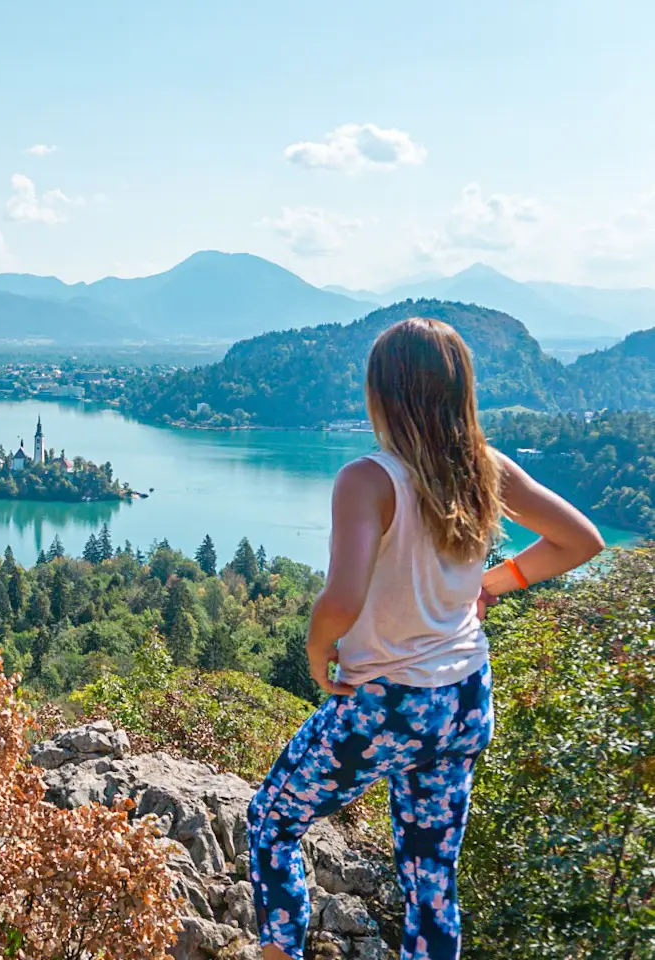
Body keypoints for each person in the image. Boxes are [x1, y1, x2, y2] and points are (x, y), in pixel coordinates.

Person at [247, 317, 603, 960]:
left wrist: (315, 649)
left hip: (386, 699)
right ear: (459, 391)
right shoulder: (484, 469)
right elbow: (581, 541)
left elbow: (342, 599)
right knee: (430, 879)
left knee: (273, 822)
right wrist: (494, 581)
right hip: (465, 697)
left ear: (381, 394)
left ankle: (278, 953)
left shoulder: (368, 479)